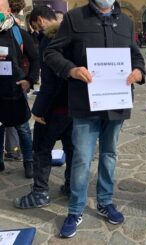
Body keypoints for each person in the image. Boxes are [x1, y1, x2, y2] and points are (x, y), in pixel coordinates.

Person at [44, 0, 145, 238]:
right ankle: (76, 209)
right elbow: (51, 52)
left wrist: (139, 72)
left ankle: (105, 201)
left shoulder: (126, 22)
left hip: (116, 103)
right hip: (85, 104)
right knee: (81, 158)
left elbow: (136, 56)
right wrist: (71, 69)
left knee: (110, 154)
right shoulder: (74, 18)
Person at [14, 6, 73, 209]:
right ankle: (71, 186)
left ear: (39, 20)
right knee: (71, 149)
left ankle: (40, 192)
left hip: (54, 108)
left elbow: (50, 82)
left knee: (41, 149)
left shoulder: (49, 40)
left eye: (34, 26)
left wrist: (37, 110)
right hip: (74, 107)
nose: (35, 30)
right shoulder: (72, 37)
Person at [0, 0, 39, 177]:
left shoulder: (17, 33)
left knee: (22, 128)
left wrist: (30, 80)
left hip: (14, 90)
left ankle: (29, 162)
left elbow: (35, 58)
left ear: (7, 10)